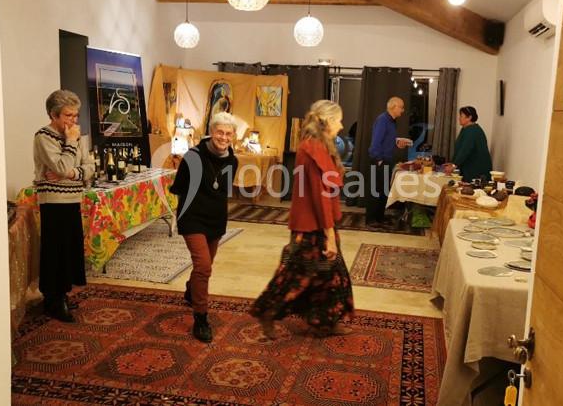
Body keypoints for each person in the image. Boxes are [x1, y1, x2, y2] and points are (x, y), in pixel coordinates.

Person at [250, 100, 355, 339]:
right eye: (338, 120)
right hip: (312, 226)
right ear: (327, 122)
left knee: (329, 276)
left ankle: (324, 322)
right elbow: (320, 196)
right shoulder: (313, 149)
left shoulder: (319, 145)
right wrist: (329, 236)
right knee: (295, 276)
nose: (341, 125)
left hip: (319, 223)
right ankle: (267, 312)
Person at [170, 112, 238, 343]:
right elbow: (178, 188)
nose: (224, 137)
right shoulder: (193, 157)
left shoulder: (232, 160)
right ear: (212, 131)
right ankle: (200, 318)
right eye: (220, 132)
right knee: (204, 266)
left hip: (216, 220)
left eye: (229, 133)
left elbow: (223, 192)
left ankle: (191, 289)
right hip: (192, 218)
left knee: (203, 267)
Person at [33, 89, 94, 322]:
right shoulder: (43, 137)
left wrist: (70, 173)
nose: (73, 121)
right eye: (68, 115)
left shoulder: (77, 137)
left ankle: (63, 295)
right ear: (53, 115)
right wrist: (69, 146)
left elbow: (89, 168)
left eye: (75, 115)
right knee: (54, 250)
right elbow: (59, 166)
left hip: (72, 199)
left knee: (69, 249)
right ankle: (52, 299)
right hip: (53, 201)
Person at [366, 97, 410, 227]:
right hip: (380, 160)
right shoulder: (383, 120)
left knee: (383, 191)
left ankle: (379, 218)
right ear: (393, 107)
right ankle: (371, 220)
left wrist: (397, 144)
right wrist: (378, 159)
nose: (403, 110)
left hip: (387, 160)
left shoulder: (391, 121)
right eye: (401, 107)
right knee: (376, 191)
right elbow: (375, 143)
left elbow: (386, 140)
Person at [443, 106, 493, 182]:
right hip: (469, 167)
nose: (459, 118)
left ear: (469, 117)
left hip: (476, 169)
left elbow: (465, 150)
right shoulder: (465, 129)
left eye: (461, 116)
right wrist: (453, 163)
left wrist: (454, 165)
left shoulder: (473, 131)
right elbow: (460, 149)